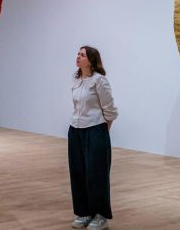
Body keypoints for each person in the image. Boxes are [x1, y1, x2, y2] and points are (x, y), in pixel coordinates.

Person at [69, 46, 118, 230]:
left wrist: (103, 133)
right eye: (78, 54)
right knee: (78, 173)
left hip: (96, 130)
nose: (78, 57)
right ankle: (84, 213)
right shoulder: (75, 79)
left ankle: (100, 216)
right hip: (75, 130)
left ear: (91, 60)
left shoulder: (100, 81)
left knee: (96, 175)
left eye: (82, 55)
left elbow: (110, 111)